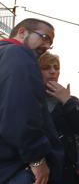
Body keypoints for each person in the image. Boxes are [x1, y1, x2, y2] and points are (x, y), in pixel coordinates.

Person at [0, 18, 64, 184]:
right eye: (44, 37)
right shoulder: (18, 54)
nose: (47, 46)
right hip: (17, 166)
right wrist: (36, 158)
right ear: (22, 32)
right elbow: (19, 112)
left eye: (50, 43)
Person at [38, 52, 79, 184]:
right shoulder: (30, 99)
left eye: (56, 67)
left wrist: (67, 101)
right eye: (46, 68)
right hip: (43, 172)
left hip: (67, 172)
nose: (53, 71)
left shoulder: (69, 100)